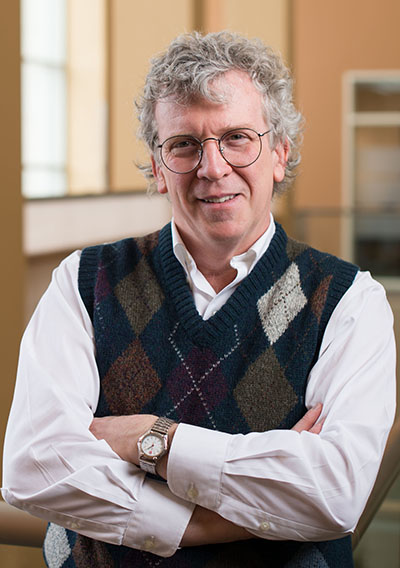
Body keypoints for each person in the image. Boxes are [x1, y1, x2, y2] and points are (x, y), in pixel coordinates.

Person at [2, 31, 396, 568]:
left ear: (279, 154)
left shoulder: (349, 302)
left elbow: (333, 492)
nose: (212, 168)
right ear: (159, 168)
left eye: (237, 138)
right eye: (184, 144)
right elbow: (31, 467)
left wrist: (152, 439)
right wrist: (211, 520)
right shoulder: (84, 282)